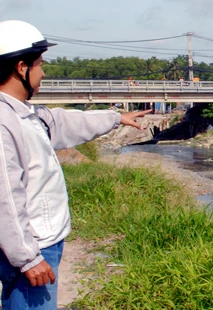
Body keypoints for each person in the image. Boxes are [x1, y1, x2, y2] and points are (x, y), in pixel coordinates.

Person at [0, 20, 151, 309]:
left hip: (39, 243)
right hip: (33, 249)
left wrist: (115, 118)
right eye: (40, 64)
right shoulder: (4, 123)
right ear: (21, 67)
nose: (43, 73)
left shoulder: (27, 115)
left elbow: (64, 121)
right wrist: (28, 258)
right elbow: (5, 198)